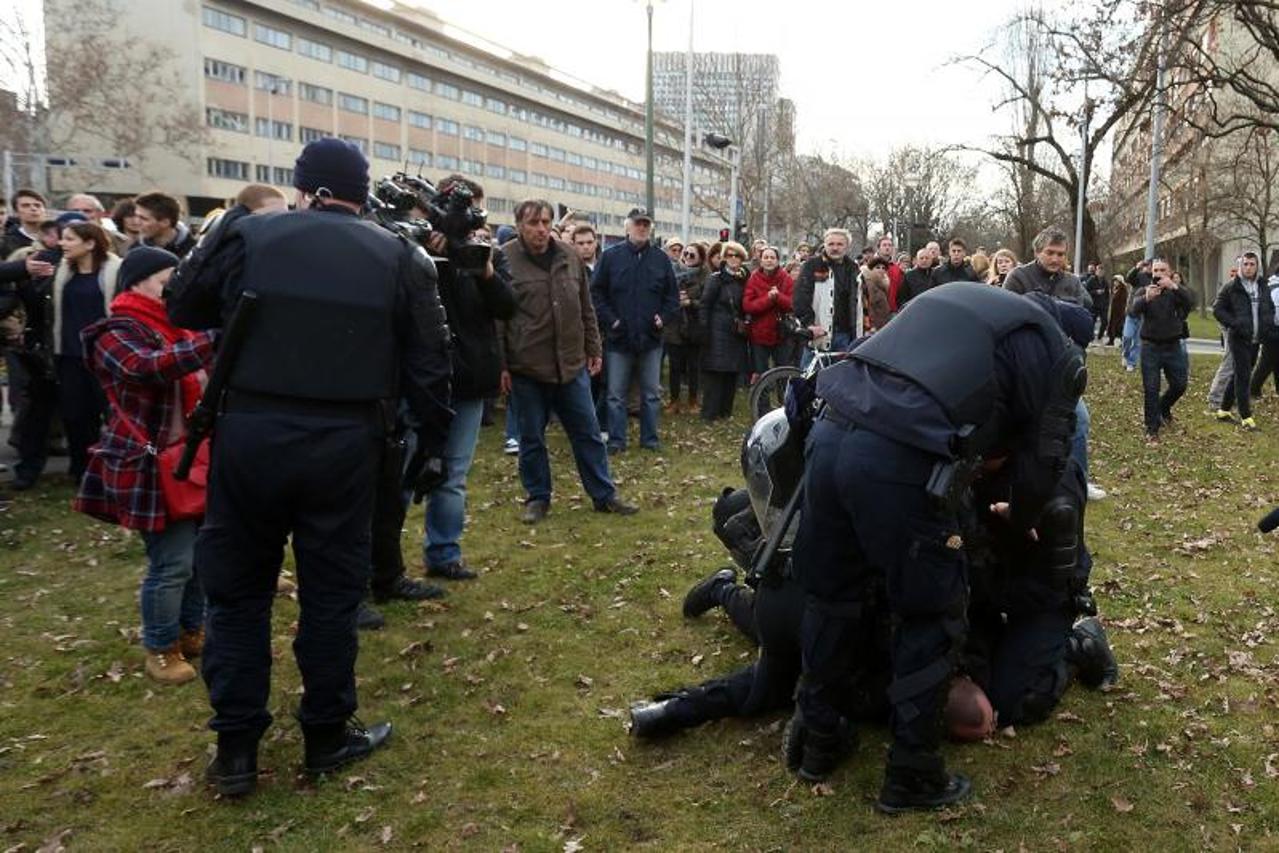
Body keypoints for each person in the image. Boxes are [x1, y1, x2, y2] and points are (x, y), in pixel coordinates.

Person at [166, 137, 454, 796]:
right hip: (346, 442)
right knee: (330, 596)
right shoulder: (398, 255)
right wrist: (430, 445)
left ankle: (236, 748)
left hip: (252, 435)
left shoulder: (251, 235)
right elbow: (430, 359)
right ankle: (325, 733)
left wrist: (228, 229)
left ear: (305, 187)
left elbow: (182, 304)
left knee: (237, 595)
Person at [787, 282, 1084, 811]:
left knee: (832, 595)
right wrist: (1021, 518)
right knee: (930, 614)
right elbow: (1046, 462)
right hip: (900, 457)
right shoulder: (1057, 354)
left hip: (831, 431)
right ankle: (913, 773)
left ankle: (819, 738)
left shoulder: (956, 298)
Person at [74, 247, 215, 685]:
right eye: (166, 279)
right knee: (172, 561)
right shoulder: (113, 331)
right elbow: (144, 368)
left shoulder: (180, 327)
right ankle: (161, 646)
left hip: (192, 459)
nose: (174, 288)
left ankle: (192, 630)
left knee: (198, 558)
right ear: (138, 282)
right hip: (148, 465)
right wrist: (216, 338)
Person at [499, 199, 638, 524]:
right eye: (534, 223)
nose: (541, 229)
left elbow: (585, 306)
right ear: (520, 224)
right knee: (531, 436)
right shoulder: (505, 258)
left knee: (587, 432)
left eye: (546, 222)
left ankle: (604, 494)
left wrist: (594, 348)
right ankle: (538, 497)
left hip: (571, 363)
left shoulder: (568, 255)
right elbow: (497, 320)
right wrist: (502, 364)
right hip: (527, 365)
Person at [414, 175, 515, 583]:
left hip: (470, 375)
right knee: (405, 469)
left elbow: (507, 307)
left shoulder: (484, 253)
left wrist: (484, 269)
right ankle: (380, 564)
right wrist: (426, 259)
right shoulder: (415, 251)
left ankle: (444, 553)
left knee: (453, 474)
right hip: (421, 377)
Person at [11, 221, 121, 490]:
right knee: (75, 417)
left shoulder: (117, 271)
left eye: (70, 239)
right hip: (68, 356)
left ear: (90, 243)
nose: (62, 243)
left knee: (112, 417)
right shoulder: (59, 271)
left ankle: (116, 471)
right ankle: (82, 470)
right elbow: (38, 308)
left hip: (106, 359)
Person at [591, 207, 679, 453]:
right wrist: (612, 321)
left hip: (651, 338)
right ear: (627, 227)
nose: (642, 228)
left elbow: (672, 298)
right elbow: (596, 292)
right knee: (615, 394)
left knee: (651, 394)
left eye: (646, 224)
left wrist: (663, 318)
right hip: (619, 338)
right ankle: (617, 441)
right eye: (638, 224)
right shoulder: (610, 257)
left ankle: (650, 440)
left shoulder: (661, 260)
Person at [1129, 258, 1194, 441]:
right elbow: (1133, 310)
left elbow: (1191, 303)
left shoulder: (1176, 292)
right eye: (1155, 270)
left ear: (1169, 272)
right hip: (1150, 347)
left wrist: (1174, 286)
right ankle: (1152, 429)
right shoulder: (1145, 290)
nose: (1158, 273)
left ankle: (1163, 407)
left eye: (1162, 270)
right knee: (1151, 388)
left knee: (1180, 385)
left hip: (1173, 346)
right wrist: (1146, 299)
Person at [1213, 251, 1273, 430]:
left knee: (1239, 374)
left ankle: (1223, 410)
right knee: (1244, 376)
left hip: (1256, 339)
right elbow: (1218, 309)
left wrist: (1268, 321)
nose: (1248, 267)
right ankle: (1246, 416)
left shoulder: (1263, 285)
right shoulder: (1232, 286)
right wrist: (1234, 323)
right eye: (1245, 264)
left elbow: (1268, 306)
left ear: (1257, 266)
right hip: (1238, 338)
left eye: (1252, 264)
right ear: (1241, 266)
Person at [698, 240, 749, 420]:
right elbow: (705, 305)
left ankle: (725, 413)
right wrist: (704, 331)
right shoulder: (716, 279)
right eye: (729, 255)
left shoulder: (744, 279)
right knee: (715, 374)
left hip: (736, 332)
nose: (733, 259)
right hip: (716, 330)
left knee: (731, 374)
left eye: (737, 256)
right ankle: (709, 414)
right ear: (724, 258)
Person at [793, 229, 858, 367]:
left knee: (839, 380)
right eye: (831, 244)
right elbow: (800, 298)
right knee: (807, 379)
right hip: (819, 332)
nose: (835, 248)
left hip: (845, 334)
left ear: (847, 246)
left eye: (840, 244)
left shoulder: (854, 268)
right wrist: (809, 324)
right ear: (825, 245)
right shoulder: (812, 265)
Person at [664, 241, 708, 413]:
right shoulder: (672, 272)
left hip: (694, 326)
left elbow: (706, 302)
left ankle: (693, 400)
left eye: (692, 255)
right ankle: (674, 400)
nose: (687, 257)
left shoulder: (705, 276)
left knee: (693, 367)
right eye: (685, 254)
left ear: (700, 258)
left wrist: (690, 302)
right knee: (675, 366)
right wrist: (676, 300)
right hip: (674, 325)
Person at [1002, 228, 1092, 309]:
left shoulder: (1073, 282)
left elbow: (1079, 317)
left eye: (1060, 254)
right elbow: (1007, 313)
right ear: (1037, 252)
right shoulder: (1018, 277)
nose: (1055, 259)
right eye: (1049, 253)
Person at [742, 246, 794, 377]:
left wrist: (778, 297)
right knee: (760, 373)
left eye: (772, 257)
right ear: (760, 260)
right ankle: (761, 398)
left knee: (783, 373)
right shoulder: (754, 278)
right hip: (759, 334)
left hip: (782, 333)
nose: (769, 260)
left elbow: (793, 304)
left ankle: (784, 398)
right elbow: (748, 306)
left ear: (777, 260)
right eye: (766, 257)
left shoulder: (786, 278)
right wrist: (769, 299)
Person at [1248, 261, 1279, 400]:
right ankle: (1253, 389)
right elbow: (1276, 312)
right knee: (1266, 362)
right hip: (1273, 329)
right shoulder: (1276, 288)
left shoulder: (1271, 284)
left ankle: (1256, 389)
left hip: (1270, 328)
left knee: (1273, 361)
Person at [132, 192, 197, 258]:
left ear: (165, 222)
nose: (136, 222)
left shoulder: (195, 252)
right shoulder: (135, 249)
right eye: (136, 216)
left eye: (143, 218)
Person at [1121, 260, 1151, 371]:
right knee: (1127, 336)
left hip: (1144, 314)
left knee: (1138, 342)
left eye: (1150, 266)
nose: (1148, 268)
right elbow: (1128, 278)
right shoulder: (1138, 276)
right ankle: (1125, 354)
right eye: (1146, 266)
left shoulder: (1154, 279)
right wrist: (1136, 267)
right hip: (1132, 312)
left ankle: (1131, 362)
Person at [1083, 262, 1110, 340]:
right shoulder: (1092, 279)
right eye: (1099, 270)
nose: (1100, 272)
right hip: (1093, 304)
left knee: (1105, 322)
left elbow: (1107, 294)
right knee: (1092, 321)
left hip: (1103, 305)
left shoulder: (1105, 282)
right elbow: (1085, 291)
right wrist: (1096, 292)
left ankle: (1100, 336)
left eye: (1102, 271)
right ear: (1096, 271)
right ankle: (1090, 336)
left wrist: (1107, 304)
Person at [1105, 275, 1128, 346]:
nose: (1115, 282)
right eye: (1114, 281)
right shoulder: (1114, 288)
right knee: (1112, 325)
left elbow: (1123, 300)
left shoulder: (1123, 289)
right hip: (1113, 310)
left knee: (1120, 326)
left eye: (1117, 281)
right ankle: (1111, 340)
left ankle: (1122, 341)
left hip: (1120, 310)